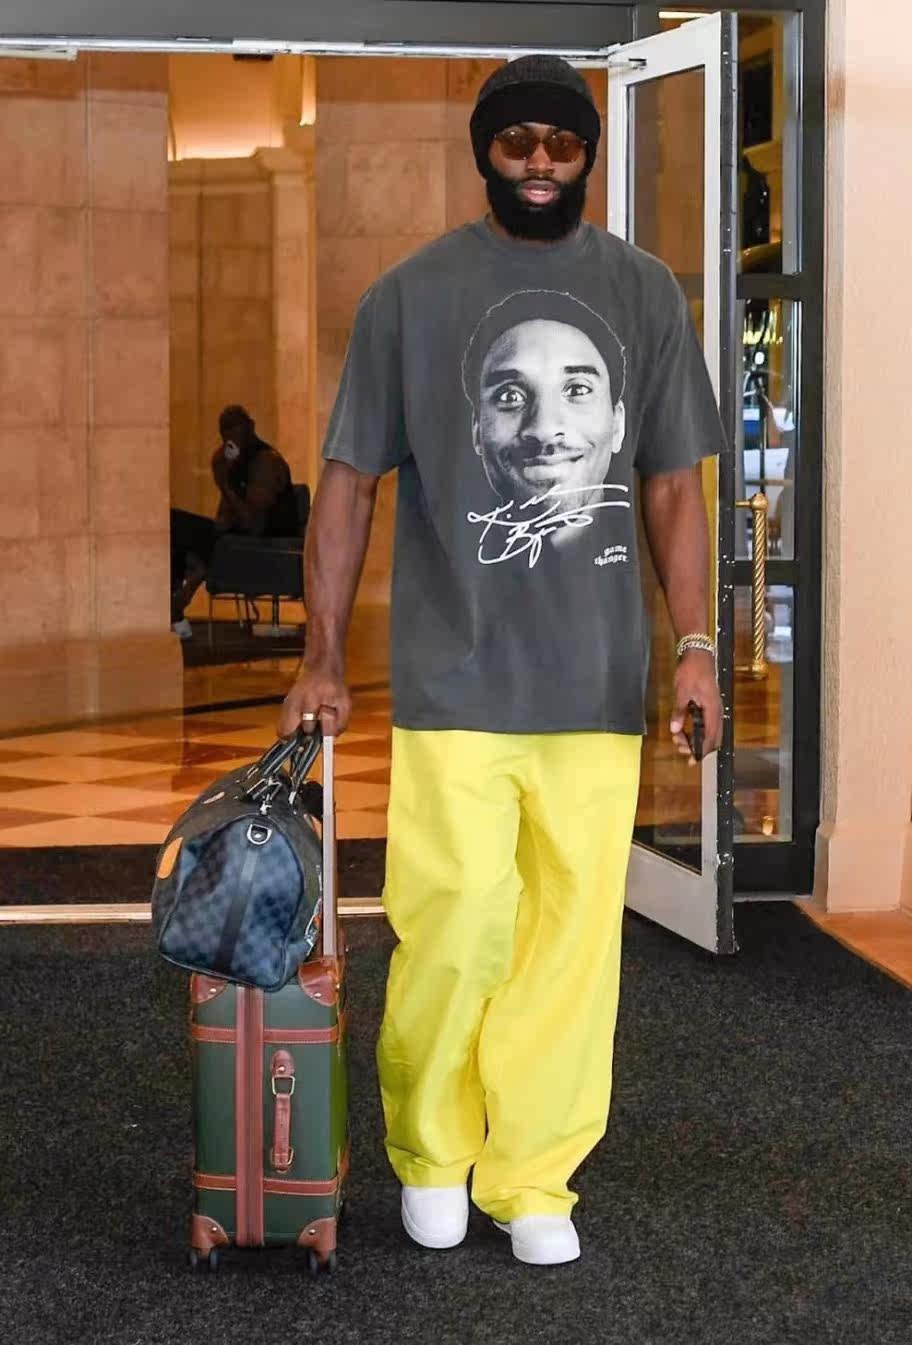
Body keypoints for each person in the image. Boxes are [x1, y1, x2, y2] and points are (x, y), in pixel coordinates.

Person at [280, 55, 724, 1267]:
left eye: (560, 144)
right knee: (456, 926)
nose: (538, 161)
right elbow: (347, 483)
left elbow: (673, 488)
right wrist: (322, 655)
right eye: (515, 140)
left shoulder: (643, 292)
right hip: (454, 685)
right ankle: (432, 1152)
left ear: (588, 155)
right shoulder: (411, 296)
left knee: (569, 944)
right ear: (483, 151)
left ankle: (533, 1174)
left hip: (596, 688)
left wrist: (696, 647)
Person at [170, 405, 298, 637]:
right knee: (175, 526)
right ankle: (176, 603)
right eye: (224, 431)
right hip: (237, 539)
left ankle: (177, 606)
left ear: (250, 428)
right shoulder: (234, 465)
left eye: (234, 429)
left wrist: (224, 483)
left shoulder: (267, 463)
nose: (229, 437)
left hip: (265, 546)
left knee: (183, 530)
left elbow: (252, 523)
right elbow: (226, 518)